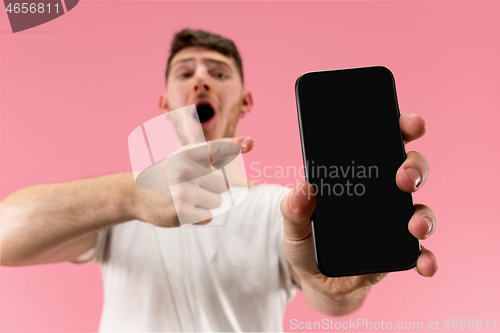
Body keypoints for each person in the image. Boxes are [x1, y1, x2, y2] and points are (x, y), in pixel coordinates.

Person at [0, 29, 437, 331]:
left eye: (219, 72)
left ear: (244, 101)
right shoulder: (117, 210)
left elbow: (328, 295)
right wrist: (133, 196)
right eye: (185, 73)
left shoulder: (282, 210)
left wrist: (341, 289)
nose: (202, 79)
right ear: (164, 100)